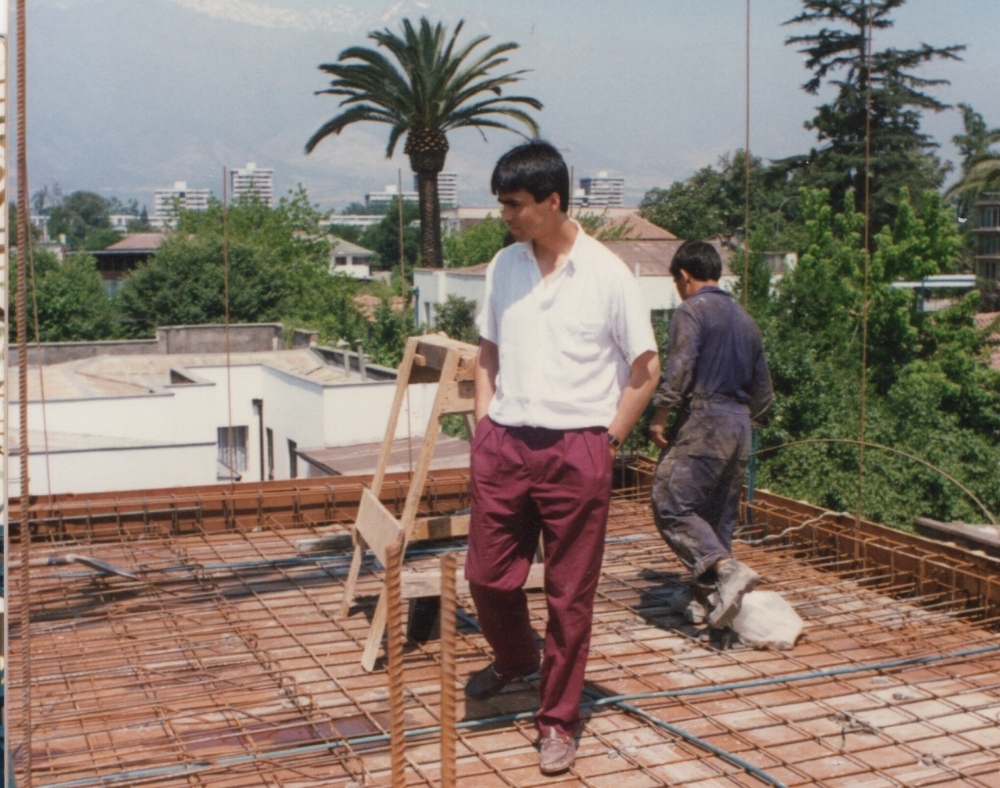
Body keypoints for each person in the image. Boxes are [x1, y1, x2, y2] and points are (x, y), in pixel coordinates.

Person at [464, 140, 660, 775]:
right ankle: (519, 662)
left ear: (552, 202)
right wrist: (484, 425)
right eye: (501, 203)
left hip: (578, 448)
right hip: (505, 444)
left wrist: (606, 441)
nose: (506, 215)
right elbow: (486, 353)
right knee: (487, 578)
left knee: (570, 597)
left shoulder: (607, 274)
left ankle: (558, 720)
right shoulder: (503, 266)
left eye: (515, 204)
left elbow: (646, 369)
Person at [649, 240, 773, 630]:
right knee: (716, 516)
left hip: (707, 419)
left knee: (670, 500)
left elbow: (680, 368)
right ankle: (710, 596)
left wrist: (660, 416)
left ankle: (724, 569)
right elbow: (764, 396)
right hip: (739, 427)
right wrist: (739, 421)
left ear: (684, 277)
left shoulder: (692, 310)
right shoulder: (746, 319)